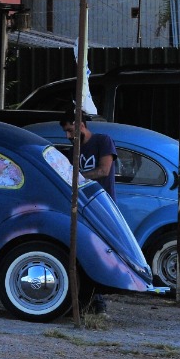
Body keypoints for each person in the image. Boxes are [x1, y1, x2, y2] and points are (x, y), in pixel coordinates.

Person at [61, 109, 118, 314]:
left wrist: (78, 177)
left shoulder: (103, 141)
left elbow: (104, 170)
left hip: (102, 207)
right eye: (66, 133)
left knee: (99, 252)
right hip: (82, 208)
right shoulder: (72, 152)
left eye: (70, 130)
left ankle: (99, 300)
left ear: (81, 125)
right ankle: (86, 300)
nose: (69, 137)